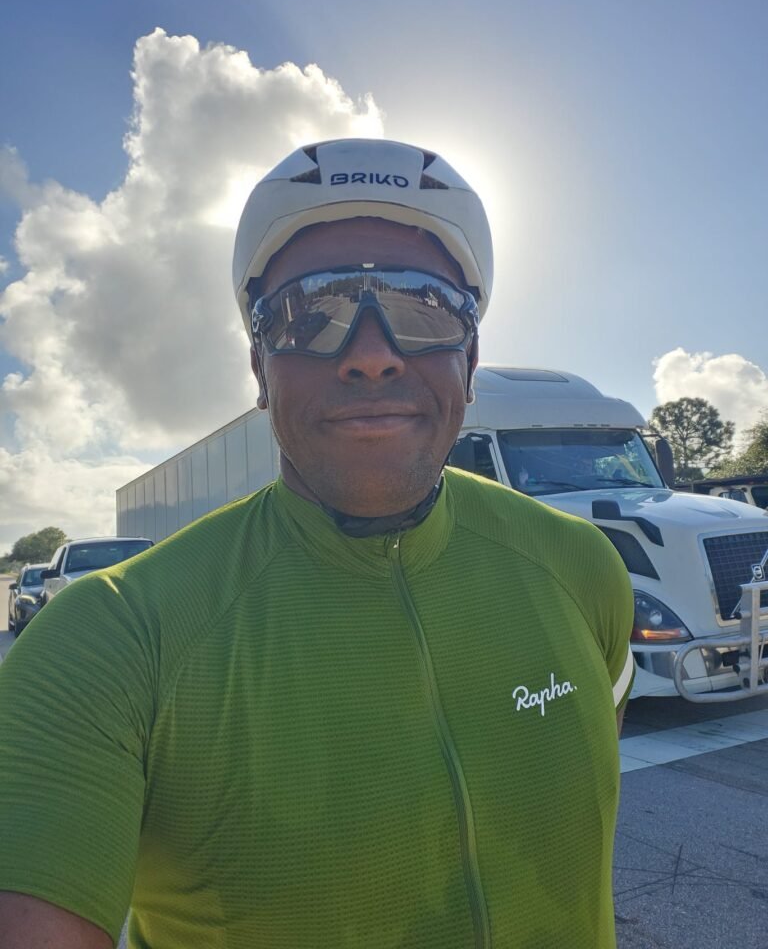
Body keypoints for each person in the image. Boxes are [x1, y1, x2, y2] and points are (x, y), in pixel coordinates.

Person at [0, 139, 634, 949]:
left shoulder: (584, 569)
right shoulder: (109, 641)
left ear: (470, 359)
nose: (371, 355)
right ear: (259, 367)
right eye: (310, 312)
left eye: (424, 307)